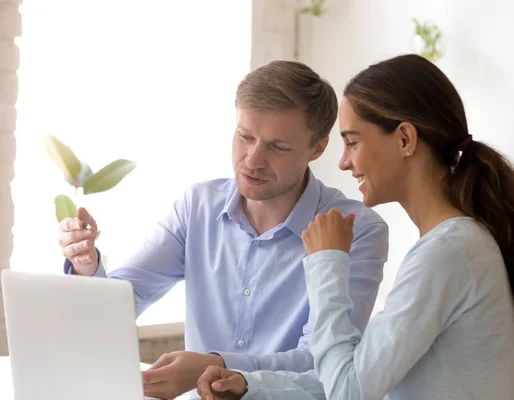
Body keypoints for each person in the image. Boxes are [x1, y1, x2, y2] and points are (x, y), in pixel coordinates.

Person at [196, 53, 514, 400]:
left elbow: (349, 391)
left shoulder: (448, 252)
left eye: (352, 141)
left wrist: (327, 262)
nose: (343, 162)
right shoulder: (453, 244)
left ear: (404, 140)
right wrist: (249, 385)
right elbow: (356, 374)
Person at [57, 60, 389, 399]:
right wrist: (87, 265)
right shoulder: (197, 207)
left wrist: (213, 364)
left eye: (277, 147)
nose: (252, 160)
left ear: (317, 147)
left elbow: (323, 362)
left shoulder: (357, 230)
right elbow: (118, 307)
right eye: (245, 137)